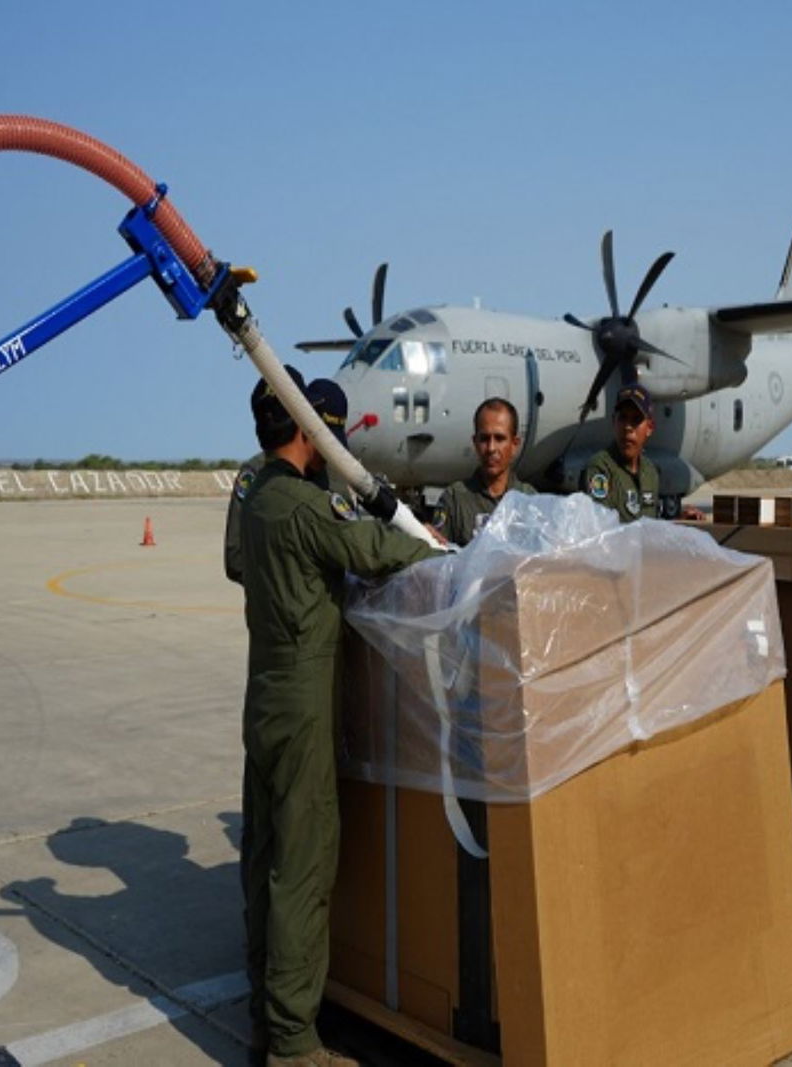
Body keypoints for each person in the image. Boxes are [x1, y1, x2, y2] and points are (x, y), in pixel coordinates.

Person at [238, 374, 439, 1065]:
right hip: (300, 699)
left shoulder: (258, 497)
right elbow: (374, 550)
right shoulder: (299, 504)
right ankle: (294, 1044)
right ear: (306, 430)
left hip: (262, 692)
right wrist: (433, 547)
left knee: (262, 854)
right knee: (302, 864)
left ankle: (265, 1016)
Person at [226, 376, 350, 585]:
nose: (327, 452)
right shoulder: (257, 473)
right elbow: (236, 558)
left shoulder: (335, 476)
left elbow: (352, 545)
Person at [434, 396, 537, 546]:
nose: (491, 448)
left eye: (500, 438)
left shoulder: (531, 502)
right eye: (484, 439)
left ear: (514, 444)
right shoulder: (455, 500)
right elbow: (437, 556)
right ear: (475, 443)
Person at [579, 383, 660, 522]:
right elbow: (601, 527)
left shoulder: (650, 473)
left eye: (636, 420)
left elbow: (653, 524)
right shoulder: (601, 469)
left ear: (650, 427)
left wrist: (679, 519)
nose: (628, 427)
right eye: (622, 418)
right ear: (613, 422)